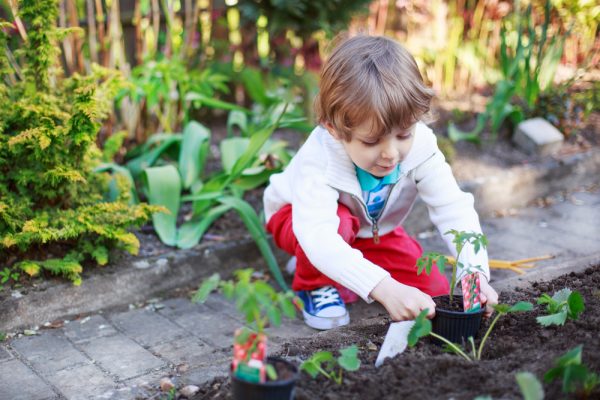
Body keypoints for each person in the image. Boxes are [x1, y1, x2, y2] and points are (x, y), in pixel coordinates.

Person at [263, 35, 499, 330]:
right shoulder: (320, 158)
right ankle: (313, 283)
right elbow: (318, 236)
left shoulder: (422, 147)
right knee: (338, 226)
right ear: (334, 129)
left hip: (372, 231)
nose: (390, 154)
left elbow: (453, 208)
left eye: (403, 135)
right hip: (299, 220)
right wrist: (385, 289)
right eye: (372, 141)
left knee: (435, 291)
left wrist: (474, 276)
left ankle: (339, 269)